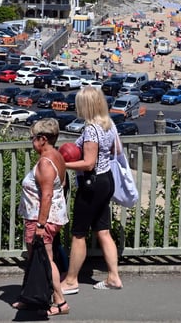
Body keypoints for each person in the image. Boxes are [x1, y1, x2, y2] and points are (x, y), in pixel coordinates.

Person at [60, 87, 122, 295]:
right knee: (103, 230)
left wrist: (62, 163)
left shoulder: (91, 129)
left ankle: (71, 280)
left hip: (92, 183)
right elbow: (118, 150)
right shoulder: (109, 123)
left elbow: (88, 164)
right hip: (106, 180)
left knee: (79, 234)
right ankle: (113, 276)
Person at [13, 119, 70, 315]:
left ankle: (60, 302)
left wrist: (40, 224)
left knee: (45, 260)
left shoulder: (45, 163)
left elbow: (46, 195)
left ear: (43, 139)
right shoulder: (57, 156)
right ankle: (28, 298)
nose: (31, 142)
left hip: (42, 218)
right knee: (35, 259)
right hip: (51, 216)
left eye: (33, 138)